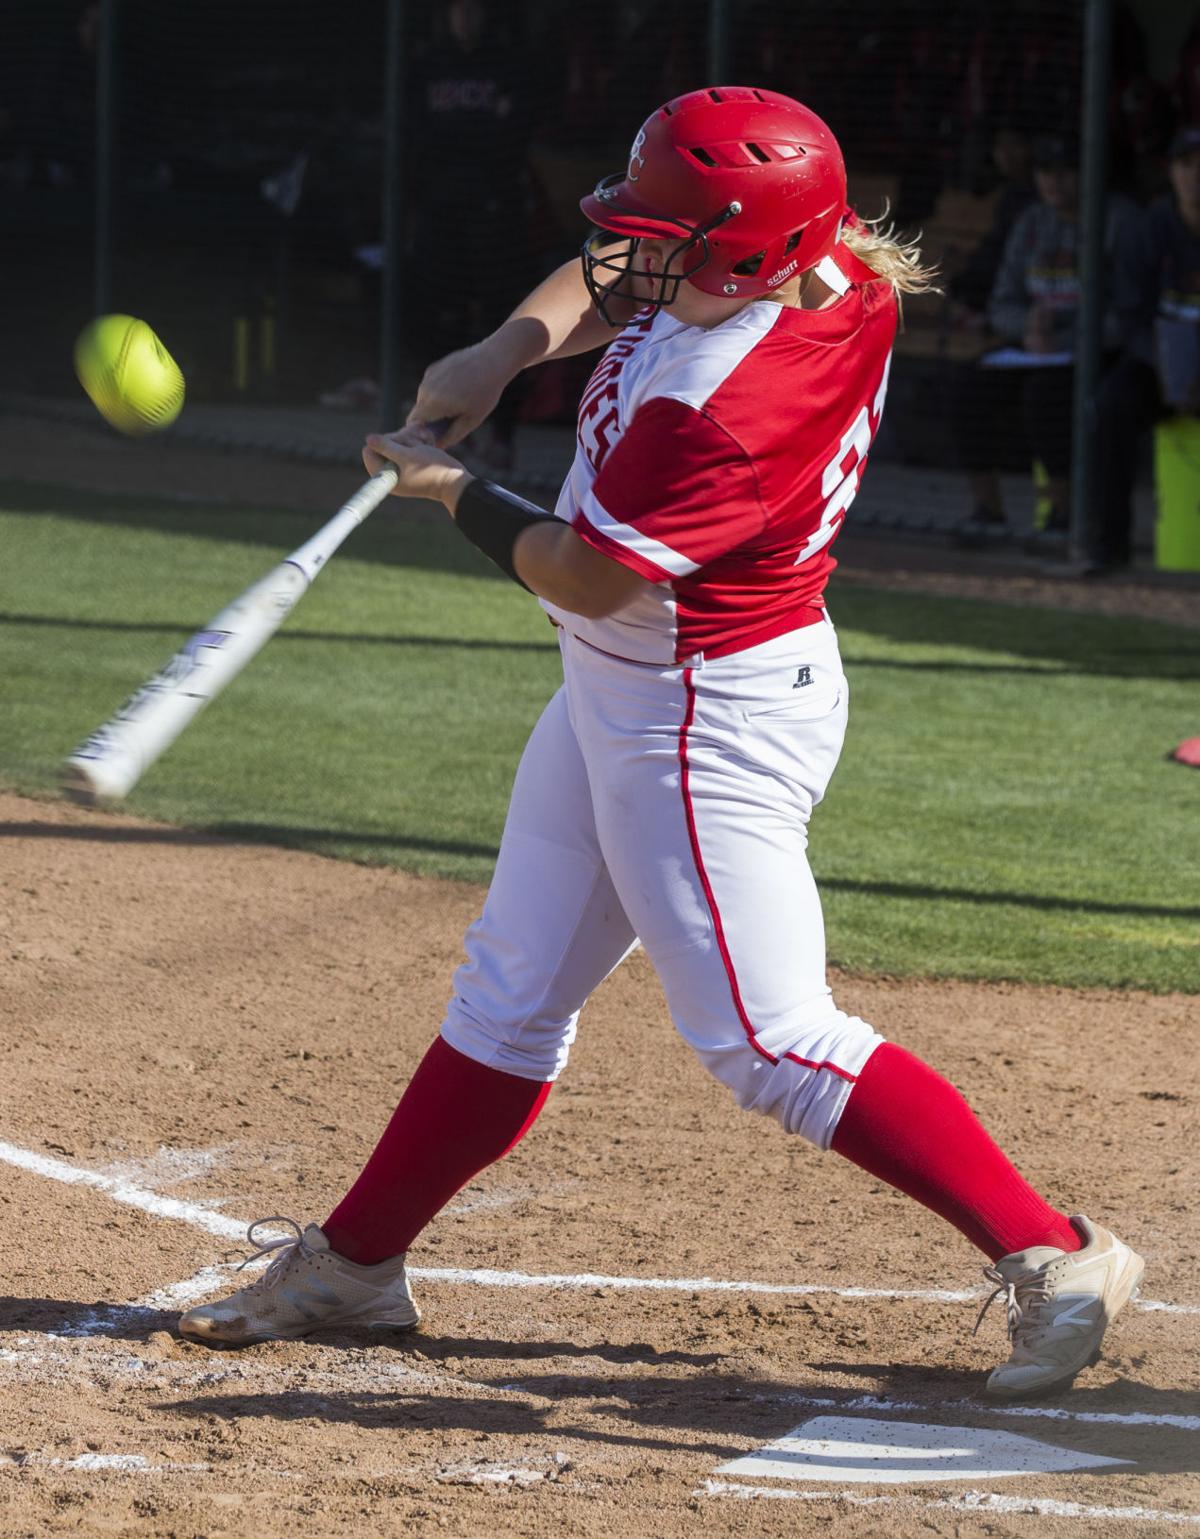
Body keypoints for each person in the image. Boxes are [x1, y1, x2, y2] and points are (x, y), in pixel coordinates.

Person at [176, 88, 1144, 1400]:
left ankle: (1055, 1252)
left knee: (768, 1035)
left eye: (668, 244)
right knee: (509, 995)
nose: (634, 258)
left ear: (744, 259)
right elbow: (612, 264)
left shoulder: (724, 408)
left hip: (701, 714)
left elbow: (581, 574)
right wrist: (503, 351)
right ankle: (354, 1264)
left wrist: (454, 488)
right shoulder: (822, 259)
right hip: (630, 694)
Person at [950, 134, 1137, 554]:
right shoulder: (1032, 220)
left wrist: (1065, 339)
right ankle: (987, 511)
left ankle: (1063, 516)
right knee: (966, 385)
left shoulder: (1120, 220)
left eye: (1066, 172)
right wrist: (1028, 328)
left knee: (1046, 396)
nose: (1055, 182)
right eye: (1046, 172)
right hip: (1032, 348)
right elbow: (1003, 301)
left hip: (1096, 353)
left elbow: (1129, 313)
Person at [1094, 125, 1200, 572]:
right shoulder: (1149, 227)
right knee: (1111, 405)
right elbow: (1132, 315)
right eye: (1186, 164)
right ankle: (1107, 547)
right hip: (1160, 365)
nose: (1195, 176)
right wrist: (1171, 372)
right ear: (1171, 172)